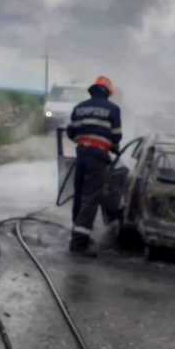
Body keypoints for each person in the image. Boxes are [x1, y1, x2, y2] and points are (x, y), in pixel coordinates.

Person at [66, 76, 122, 257]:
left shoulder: (80, 107)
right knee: (90, 198)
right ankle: (79, 243)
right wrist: (110, 146)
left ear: (93, 90)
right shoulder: (113, 109)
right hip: (98, 158)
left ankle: (77, 234)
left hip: (82, 154)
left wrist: (85, 141)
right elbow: (116, 136)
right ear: (108, 93)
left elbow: (71, 132)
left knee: (80, 195)